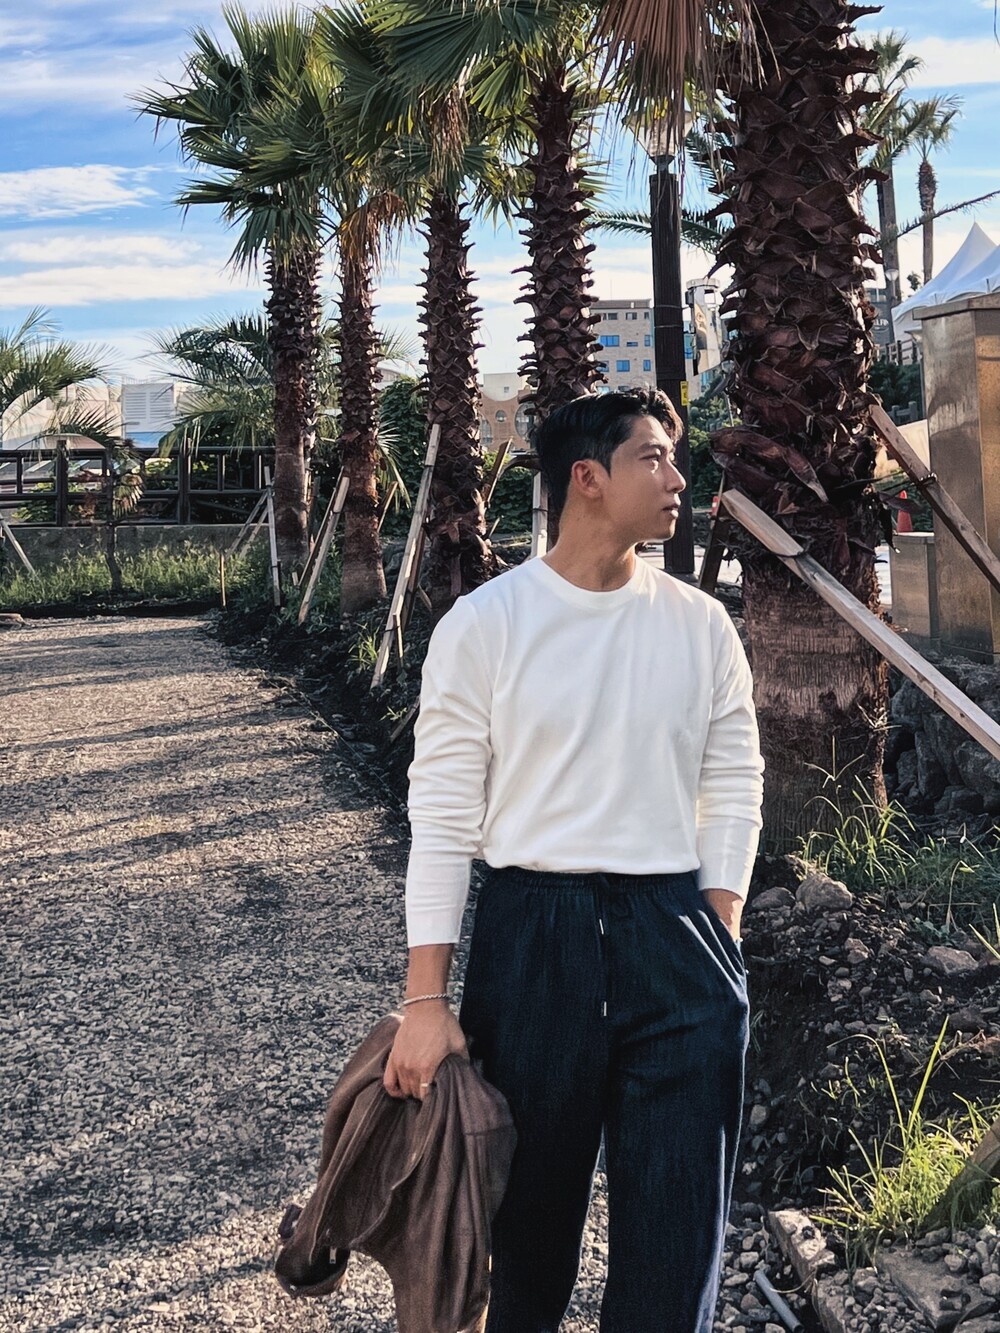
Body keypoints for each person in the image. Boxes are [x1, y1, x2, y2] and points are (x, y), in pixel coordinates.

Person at [385, 386, 765, 1333]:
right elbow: (441, 817)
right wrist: (425, 1002)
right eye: (653, 458)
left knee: (678, 1236)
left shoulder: (700, 624)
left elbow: (734, 781)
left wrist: (717, 924)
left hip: (676, 934)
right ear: (587, 479)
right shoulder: (487, 624)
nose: (678, 478)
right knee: (524, 1238)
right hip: (534, 936)